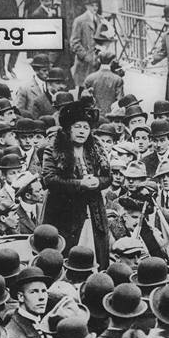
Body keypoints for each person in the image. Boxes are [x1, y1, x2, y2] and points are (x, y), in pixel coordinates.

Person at [42, 100, 111, 268]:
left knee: (96, 252)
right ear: (68, 128)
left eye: (86, 127)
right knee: (67, 253)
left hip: (93, 211)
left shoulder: (96, 149)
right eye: (77, 126)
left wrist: (98, 182)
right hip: (64, 212)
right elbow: (49, 179)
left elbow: (108, 177)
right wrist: (80, 184)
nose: (82, 131)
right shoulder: (53, 149)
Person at [71, 0, 102, 90]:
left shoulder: (100, 19)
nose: (95, 8)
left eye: (96, 5)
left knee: (96, 87)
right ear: (86, 6)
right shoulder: (80, 20)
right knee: (84, 87)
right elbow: (74, 42)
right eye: (92, 5)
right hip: (84, 62)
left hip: (97, 60)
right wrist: (84, 56)